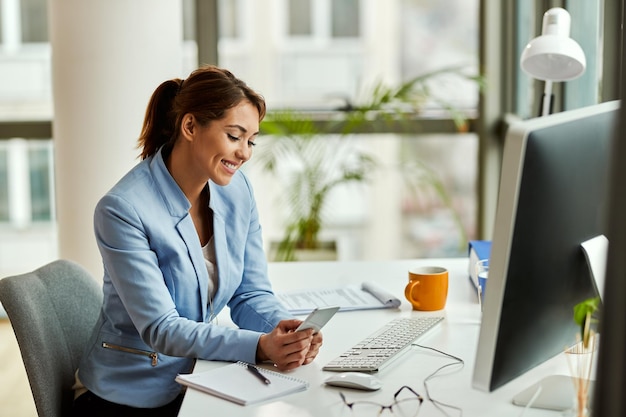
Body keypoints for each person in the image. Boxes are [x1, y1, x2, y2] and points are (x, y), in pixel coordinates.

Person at [71, 65, 323, 417]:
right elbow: (161, 328)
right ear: (190, 127)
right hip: (126, 396)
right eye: (234, 136)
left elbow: (250, 292)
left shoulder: (237, 191)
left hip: (199, 378)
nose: (245, 153)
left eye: (251, 141)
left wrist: (284, 333)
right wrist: (261, 347)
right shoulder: (123, 209)